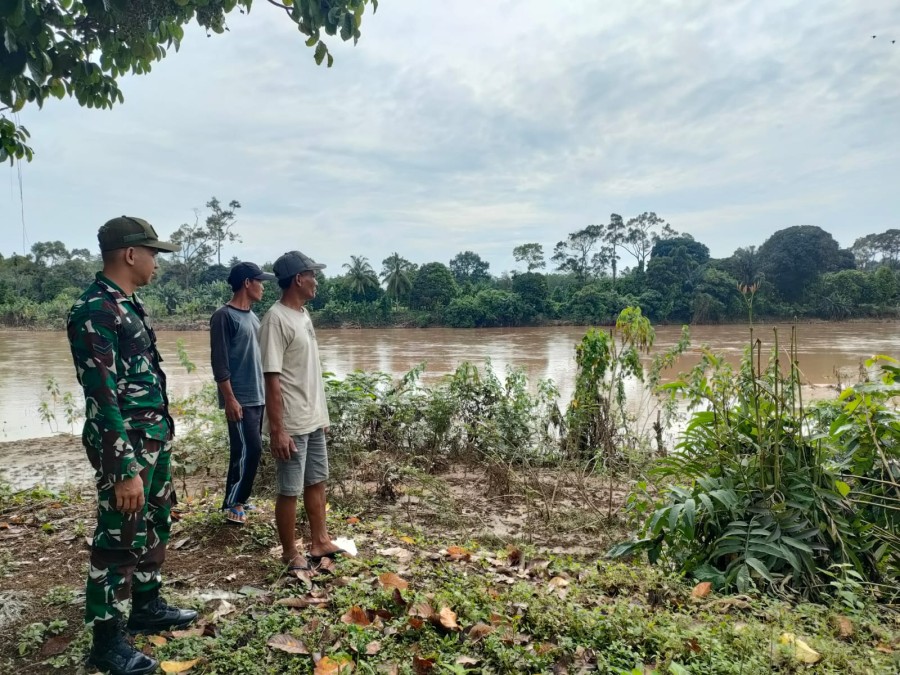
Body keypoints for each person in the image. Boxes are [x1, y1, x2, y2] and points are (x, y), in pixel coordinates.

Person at [67, 216, 197, 675]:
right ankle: (106, 641)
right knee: (119, 537)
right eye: (153, 253)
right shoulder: (95, 311)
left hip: (151, 438)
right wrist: (122, 468)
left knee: (155, 520)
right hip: (125, 446)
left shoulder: (127, 304)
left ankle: (146, 604)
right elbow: (101, 395)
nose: (156, 262)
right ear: (130, 254)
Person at [259, 250, 344, 571]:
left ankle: (320, 541)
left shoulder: (303, 315)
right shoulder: (275, 319)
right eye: (313, 275)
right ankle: (289, 552)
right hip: (291, 423)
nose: (316, 282)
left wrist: (321, 416)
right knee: (290, 489)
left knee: (317, 481)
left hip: (312, 419)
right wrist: (278, 429)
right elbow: (272, 378)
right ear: (298, 279)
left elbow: (307, 371)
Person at [210, 261, 276, 525]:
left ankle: (241, 498)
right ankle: (233, 503)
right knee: (248, 450)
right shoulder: (223, 316)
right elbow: (220, 363)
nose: (263, 287)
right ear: (247, 283)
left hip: (257, 396)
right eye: (259, 282)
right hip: (240, 399)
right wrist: (230, 399)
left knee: (250, 449)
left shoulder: (252, 316)